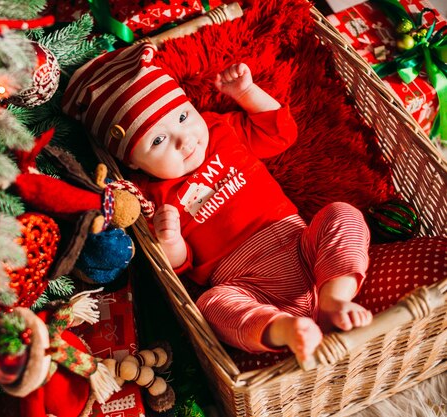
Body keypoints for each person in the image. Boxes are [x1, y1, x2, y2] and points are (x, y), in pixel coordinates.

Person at [62, 43, 373, 362]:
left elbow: (280, 133)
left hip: (303, 248)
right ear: (134, 163)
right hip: (246, 285)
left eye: (183, 116)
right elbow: (180, 266)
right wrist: (171, 241)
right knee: (211, 304)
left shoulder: (218, 129)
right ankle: (284, 329)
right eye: (158, 141)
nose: (184, 140)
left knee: (341, 213)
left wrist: (247, 92)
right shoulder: (151, 193)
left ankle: (336, 299)